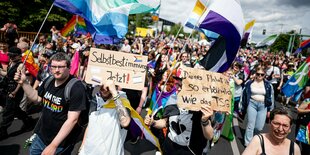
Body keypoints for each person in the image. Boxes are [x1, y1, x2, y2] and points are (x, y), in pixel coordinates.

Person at [14, 52, 87, 154]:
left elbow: (72, 120)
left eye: (61, 67)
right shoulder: (49, 80)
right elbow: (37, 98)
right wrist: (24, 82)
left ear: (69, 67)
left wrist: (53, 145)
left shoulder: (76, 88)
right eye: (53, 66)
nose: (56, 70)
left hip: (60, 144)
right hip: (40, 137)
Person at [78, 80, 131, 155]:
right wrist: (82, 148)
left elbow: (125, 122)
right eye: (102, 87)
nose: (104, 90)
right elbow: (91, 124)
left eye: (108, 88)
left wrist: (114, 92)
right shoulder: (96, 99)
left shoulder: (123, 102)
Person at [0, 47, 34, 140]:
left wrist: (15, 92)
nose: (11, 57)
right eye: (10, 55)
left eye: (13, 56)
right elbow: (7, 75)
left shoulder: (21, 65)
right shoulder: (11, 63)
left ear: (18, 56)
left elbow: (21, 81)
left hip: (16, 90)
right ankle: (28, 121)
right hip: (7, 88)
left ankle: (2, 130)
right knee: (15, 109)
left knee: (8, 111)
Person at [240, 67, 274, 146]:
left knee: (259, 127)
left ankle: (254, 139)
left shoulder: (268, 85)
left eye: (262, 74)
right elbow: (244, 95)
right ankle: (248, 143)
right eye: (258, 74)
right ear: (255, 74)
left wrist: (269, 110)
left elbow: (271, 98)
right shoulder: (249, 83)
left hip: (263, 106)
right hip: (252, 104)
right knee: (250, 125)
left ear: (264, 75)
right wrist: (242, 107)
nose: (260, 76)